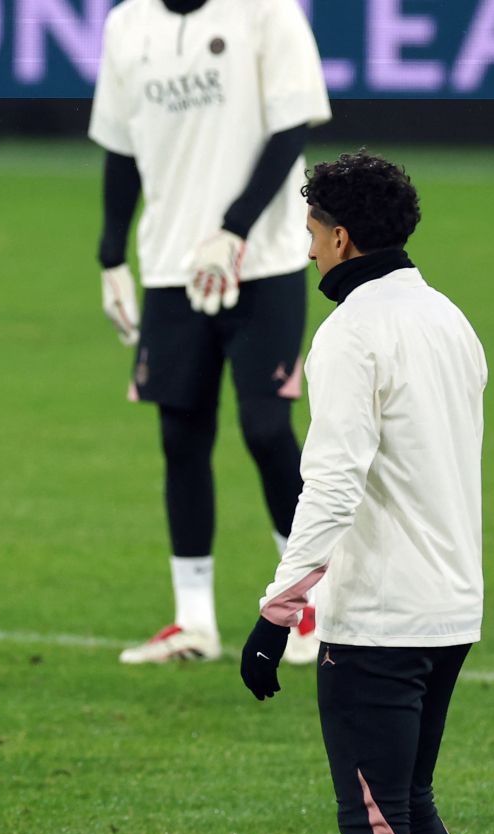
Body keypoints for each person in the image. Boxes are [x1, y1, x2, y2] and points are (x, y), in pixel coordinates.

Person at [240, 152, 494, 834]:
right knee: (414, 810)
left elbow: (333, 482)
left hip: (381, 620)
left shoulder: (352, 335)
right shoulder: (449, 319)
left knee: (379, 830)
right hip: (451, 606)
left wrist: (280, 608)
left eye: (312, 231)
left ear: (341, 236)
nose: (307, 250)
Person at [88, 0, 332, 664]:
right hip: (172, 264)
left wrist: (233, 228)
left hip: (266, 260)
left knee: (265, 428)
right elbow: (119, 148)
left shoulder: (268, 13)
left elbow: (290, 132)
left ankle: (308, 608)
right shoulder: (127, 24)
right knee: (180, 436)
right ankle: (194, 621)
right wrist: (111, 256)